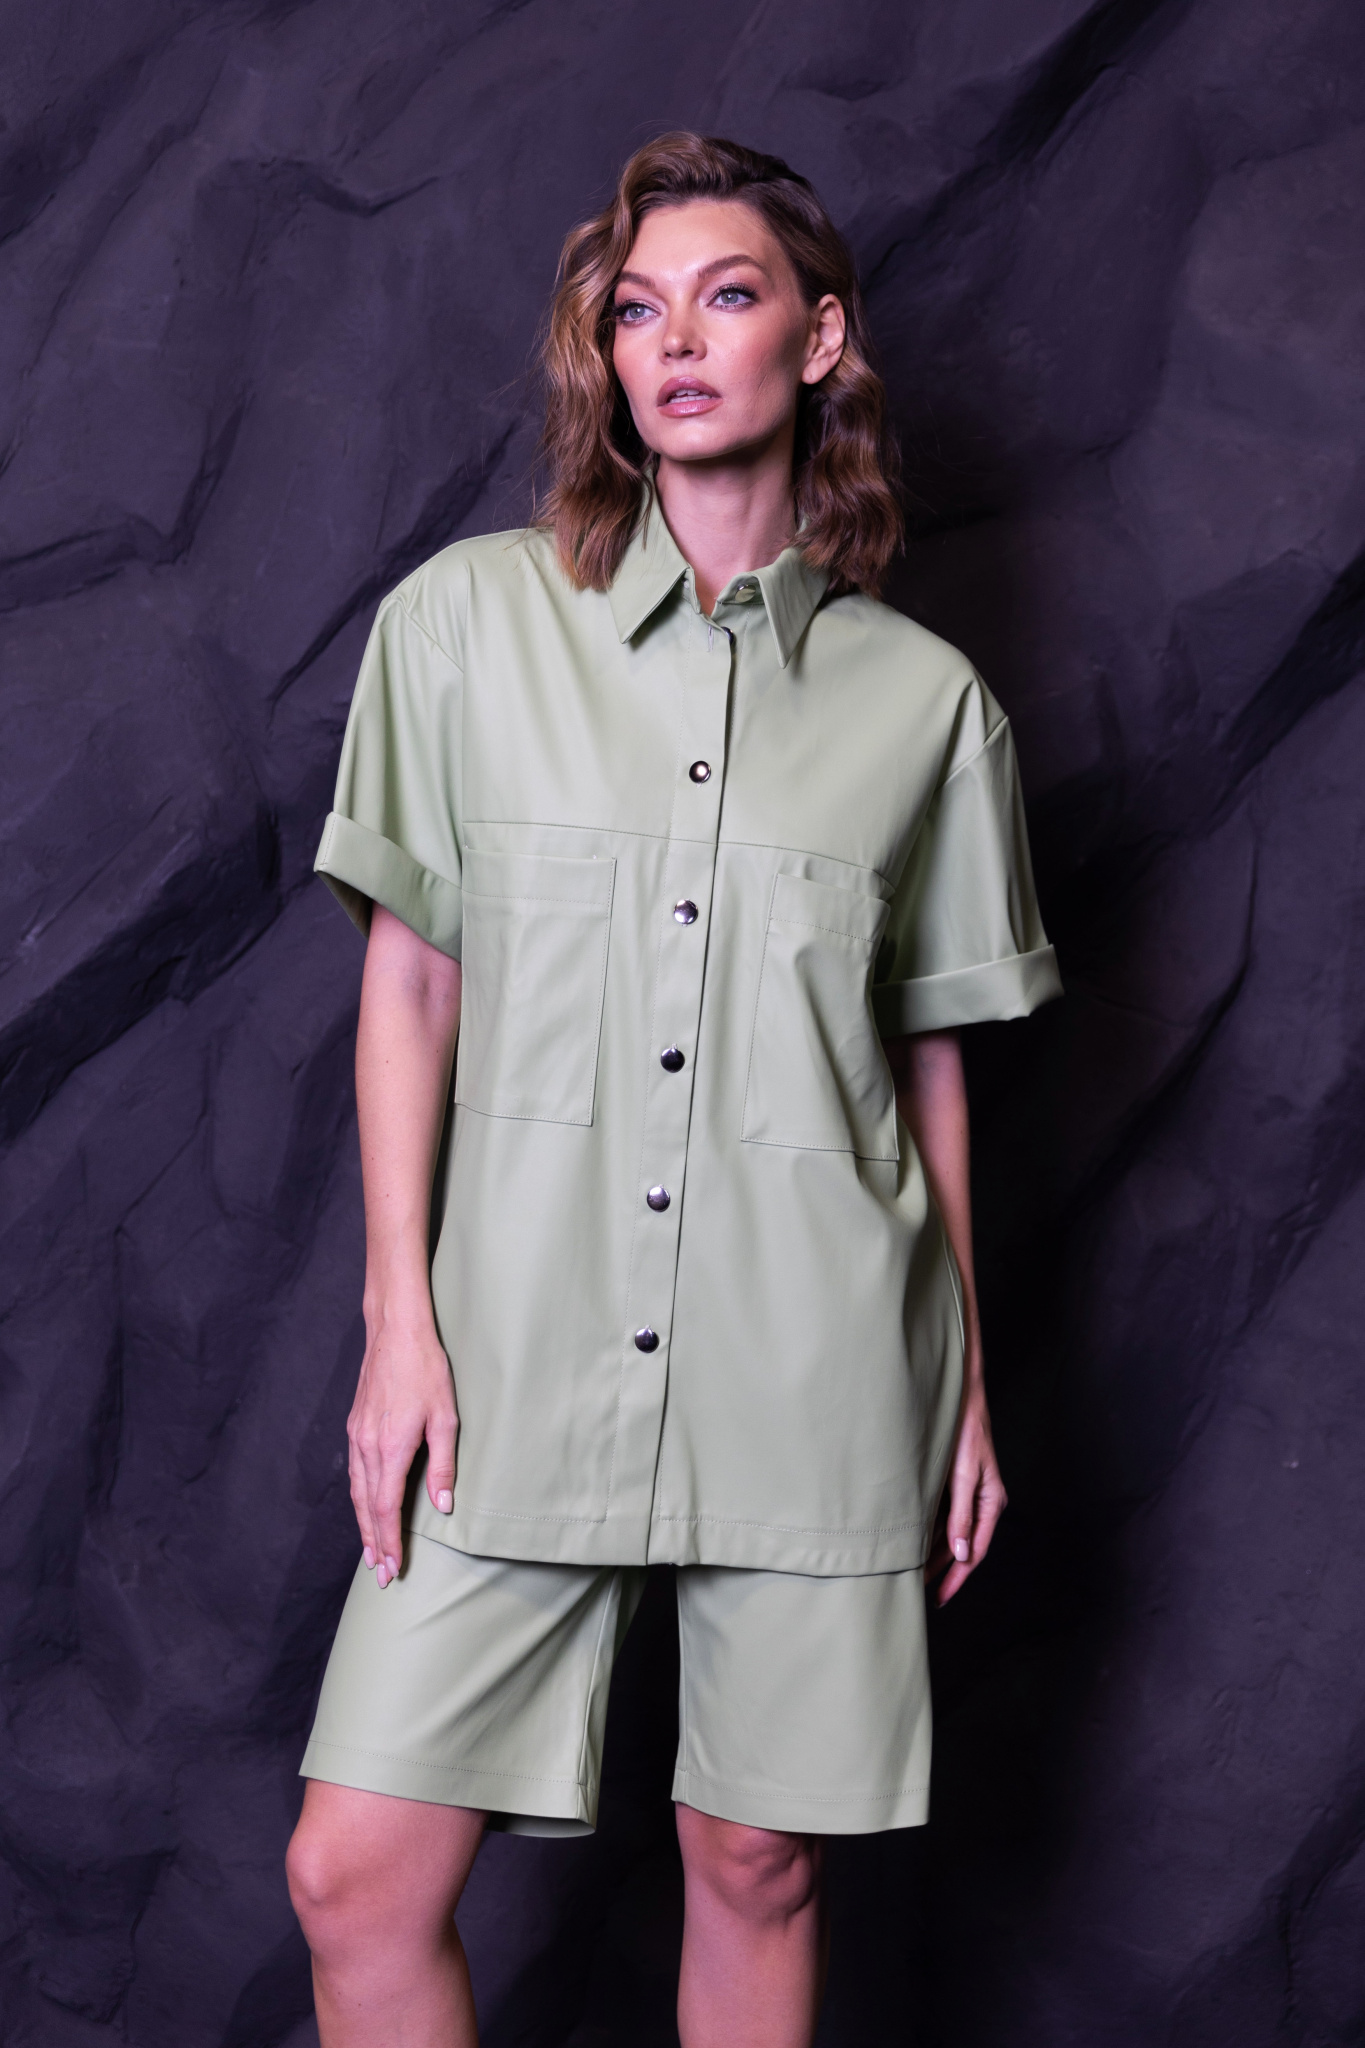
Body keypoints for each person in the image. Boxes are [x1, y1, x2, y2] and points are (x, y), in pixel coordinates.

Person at [285, 131, 1061, 2048]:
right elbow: (413, 982)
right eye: (637, 312)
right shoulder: (462, 626)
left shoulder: (929, 708)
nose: (677, 342)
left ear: (822, 338)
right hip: (514, 1348)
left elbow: (922, 1063)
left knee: (757, 1860)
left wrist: (962, 1375)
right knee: (355, 1874)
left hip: (816, 1364)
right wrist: (399, 1324)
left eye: (726, 297)